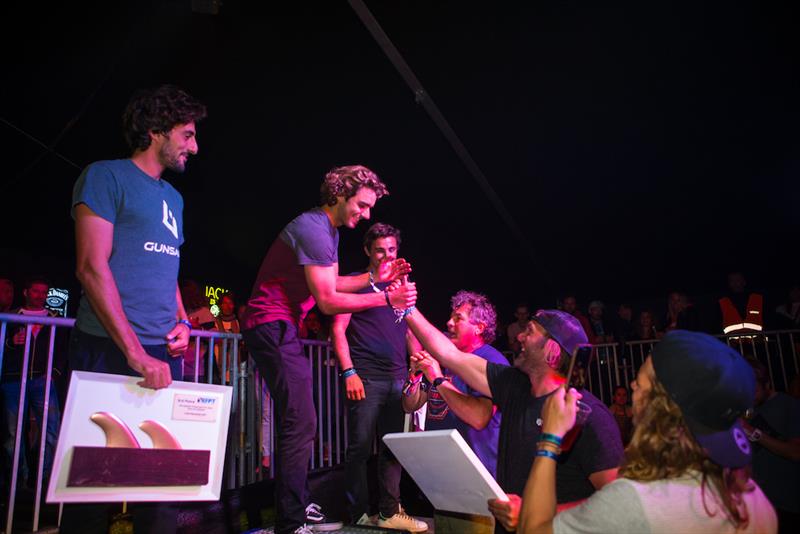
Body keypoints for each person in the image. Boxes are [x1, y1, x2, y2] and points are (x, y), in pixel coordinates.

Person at [240, 165, 416, 534]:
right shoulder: (314, 228)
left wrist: (373, 279)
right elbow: (328, 300)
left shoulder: (327, 232)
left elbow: (331, 280)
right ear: (339, 195)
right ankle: (291, 521)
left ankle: (298, 508)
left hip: (279, 326)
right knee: (301, 422)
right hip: (270, 323)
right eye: (363, 205)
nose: (367, 214)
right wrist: (386, 297)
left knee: (301, 420)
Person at [64, 84, 206, 534]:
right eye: (187, 134)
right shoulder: (104, 176)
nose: (194, 147)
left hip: (160, 352)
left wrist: (183, 320)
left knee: (159, 487)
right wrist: (133, 352)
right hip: (108, 347)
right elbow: (90, 267)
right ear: (155, 131)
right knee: (91, 487)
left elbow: (168, 267)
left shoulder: (174, 198)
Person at [519, 330, 778, 533]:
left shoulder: (636, 500)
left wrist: (550, 438)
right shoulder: (754, 500)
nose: (632, 385)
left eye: (640, 383)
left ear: (660, 409)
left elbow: (533, 530)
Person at [404, 307, 623, 533]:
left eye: (529, 332)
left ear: (553, 352)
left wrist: (535, 513)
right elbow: (449, 355)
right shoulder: (514, 386)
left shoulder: (588, 415)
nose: (519, 337)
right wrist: (406, 306)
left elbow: (617, 501)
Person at [330, 222, 427, 532]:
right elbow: (337, 331)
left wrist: (417, 360)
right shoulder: (358, 283)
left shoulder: (402, 284)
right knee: (359, 448)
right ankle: (358, 514)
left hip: (397, 378)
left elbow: (409, 327)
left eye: (392, 250)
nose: (387, 255)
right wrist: (349, 372)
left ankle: (388, 512)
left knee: (392, 448)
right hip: (366, 378)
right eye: (380, 250)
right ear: (367, 251)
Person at [403, 290, 509, 534]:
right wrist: (416, 375)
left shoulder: (490, 360)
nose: (449, 323)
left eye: (458, 318)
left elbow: (479, 418)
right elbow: (410, 405)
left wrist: (438, 377)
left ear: (479, 327)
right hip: (444, 480)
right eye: (450, 317)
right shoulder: (445, 359)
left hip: (476, 485)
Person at [1, 277, 62, 490]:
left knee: (51, 429)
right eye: (36, 291)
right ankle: (18, 480)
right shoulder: (11, 316)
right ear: (26, 292)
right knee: (13, 432)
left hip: (42, 380)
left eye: (44, 292)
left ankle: (42, 480)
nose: (40, 296)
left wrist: (54, 372)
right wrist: (10, 342)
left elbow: (63, 349)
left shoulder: (54, 317)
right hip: (13, 379)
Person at [743, 358, 800, 532]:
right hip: (760, 506)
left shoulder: (789, 406)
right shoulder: (750, 411)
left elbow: (795, 452)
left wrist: (753, 432)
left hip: (788, 504)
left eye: (753, 389)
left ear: (767, 383)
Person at [719, 271, 764, 336]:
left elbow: (767, 319)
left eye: (738, 280)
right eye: (732, 281)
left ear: (744, 282)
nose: (735, 283)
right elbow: (718, 323)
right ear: (729, 283)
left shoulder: (757, 299)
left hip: (757, 343)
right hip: (732, 343)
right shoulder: (723, 302)